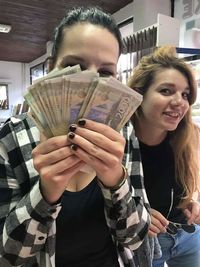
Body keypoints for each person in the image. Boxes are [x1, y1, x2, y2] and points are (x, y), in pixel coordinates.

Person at [0, 6, 151, 267]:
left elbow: (135, 238)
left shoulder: (123, 132)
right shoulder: (11, 138)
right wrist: (46, 193)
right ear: (51, 68)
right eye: (74, 66)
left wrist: (115, 179)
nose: (91, 82)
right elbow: (9, 255)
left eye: (105, 72)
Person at [128, 46, 200, 267]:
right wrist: (136, 215)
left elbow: (191, 178)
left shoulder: (188, 135)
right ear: (139, 94)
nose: (180, 102)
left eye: (185, 94)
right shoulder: (117, 142)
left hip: (188, 235)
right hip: (145, 244)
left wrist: (193, 199)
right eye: (167, 91)